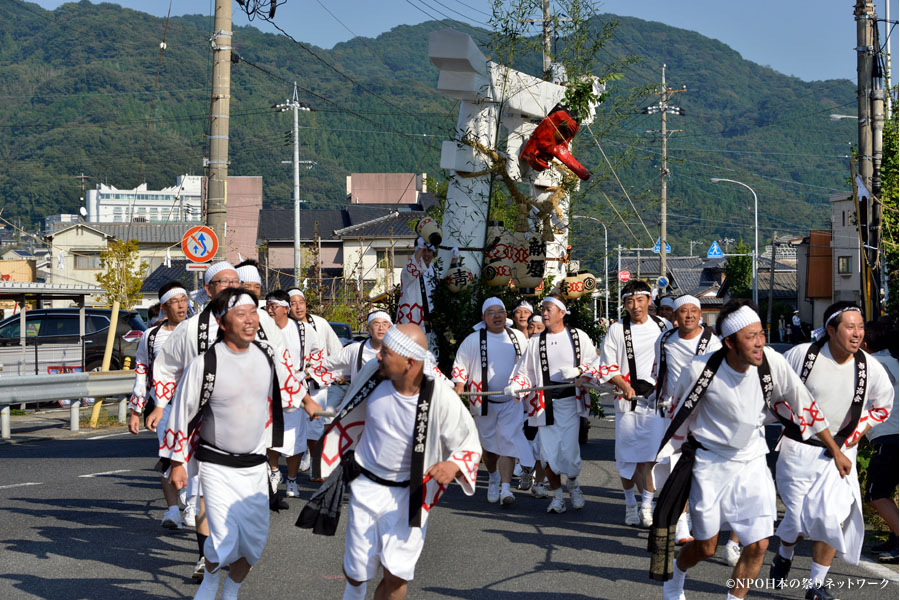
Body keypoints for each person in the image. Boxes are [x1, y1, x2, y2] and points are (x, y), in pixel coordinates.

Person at [652, 300, 850, 600]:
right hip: (710, 463)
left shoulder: (771, 362)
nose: (759, 342)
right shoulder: (700, 370)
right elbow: (680, 418)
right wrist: (675, 471)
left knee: (758, 544)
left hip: (752, 460)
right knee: (705, 546)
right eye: (750, 336)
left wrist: (835, 449)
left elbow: (804, 404)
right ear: (729, 342)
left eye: (761, 333)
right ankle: (676, 575)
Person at [153, 262, 311, 581]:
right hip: (204, 425)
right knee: (203, 493)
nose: (230, 286)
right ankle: (205, 556)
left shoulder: (260, 321)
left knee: (245, 506)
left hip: (250, 422)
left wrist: (301, 397)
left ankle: (232, 548)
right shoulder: (191, 328)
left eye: (235, 281)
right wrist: (160, 404)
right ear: (209, 290)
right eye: (222, 282)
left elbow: (282, 363)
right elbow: (165, 367)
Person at [314, 324, 481, 600]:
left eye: (386, 353)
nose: (378, 356)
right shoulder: (373, 374)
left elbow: (469, 441)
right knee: (356, 570)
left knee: (397, 573)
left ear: (410, 363)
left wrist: (453, 465)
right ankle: (353, 590)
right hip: (367, 486)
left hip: (410, 493)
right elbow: (349, 409)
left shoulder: (439, 394)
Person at [769, 302, 894, 598]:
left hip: (841, 453)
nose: (857, 333)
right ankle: (784, 553)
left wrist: (856, 433)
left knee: (831, 517)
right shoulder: (803, 356)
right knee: (798, 519)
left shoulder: (868, 367)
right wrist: (793, 418)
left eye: (860, 327)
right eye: (850, 327)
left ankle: (816, 585)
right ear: (830, 330)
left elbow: (882, 406)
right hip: (799, 450)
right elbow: (774, 391)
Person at [506, 294, 601, 513]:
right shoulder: (535, 342)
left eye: (549, 309)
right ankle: (557, 496)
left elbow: (596, 363)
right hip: (543, 403)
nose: (545, 313)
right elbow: (525, 372)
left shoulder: (578, 337)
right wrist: (516, 385)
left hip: (570, 402)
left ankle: (573, 483)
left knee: (569, 452)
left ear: (562, 312)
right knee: (547, 453)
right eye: (543, 309)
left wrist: (580, 372)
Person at [597, 279, 671, 527]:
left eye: (640, 300)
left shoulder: (664, 326)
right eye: (630, 302)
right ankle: (630, 504)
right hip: (627, 401)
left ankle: (647, 506)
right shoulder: (617, 329)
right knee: (627, 458)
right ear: (625, 305)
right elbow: (607, 365)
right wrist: (623, 385)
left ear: (649, 301)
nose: (636, 306)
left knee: (651, 457)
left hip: (654, 402)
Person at [651, 295, 721, 549]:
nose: (689, 315)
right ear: (674, 316)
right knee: (673, 466)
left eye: (694, 311)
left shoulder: (713, 343)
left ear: (700, 315)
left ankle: (695, 518)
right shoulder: (665, 340)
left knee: (702, 469)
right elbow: (659, 372)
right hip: (671, 414)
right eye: (683, 311)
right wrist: (657, 397)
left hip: (704, 413)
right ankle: (680, 521)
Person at [452, 298, 530, 507]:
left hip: (511, 400)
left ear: (506, 315)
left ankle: (505, 488)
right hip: (482, 399)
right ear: (483, 317)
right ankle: (493, 476)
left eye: (501, 311)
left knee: (508, 440)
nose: (497, 315)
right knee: (489, 446)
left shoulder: (518, 338)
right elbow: (461, 367)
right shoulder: (472, 340)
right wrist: (459, 387)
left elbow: (528, 366)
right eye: (491, 312)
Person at [127, 281, 190, 530]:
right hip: (163, 406)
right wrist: (136, 409)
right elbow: (142, 369)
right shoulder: (151, 336)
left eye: (184, 299)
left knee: (192, 456)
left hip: (194, 405)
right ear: (164, 307)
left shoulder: (196, 331)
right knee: (168, 454)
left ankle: (193, 503)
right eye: (175, 301)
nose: (181, 305)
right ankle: (173, 510)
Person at [285, 287, 343, 479]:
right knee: (293, 424)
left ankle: (315, 465)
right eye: (293, 303)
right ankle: (299, 459)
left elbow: (335, 350)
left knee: (316, 422)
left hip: (317, 383)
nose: (298, 307)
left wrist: (337, 372)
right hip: (292, 384)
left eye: (300, 302)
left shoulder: (320, 323)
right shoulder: (284, 327)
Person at [264, 290, 311, 499]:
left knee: (295, 439)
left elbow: (319, 354)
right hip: (269, 391)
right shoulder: (261, 328)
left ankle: (292, 479)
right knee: (270, 436)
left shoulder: (302, 329)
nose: (270, 310)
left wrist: (307, 373)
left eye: (274, 306)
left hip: (296, 390)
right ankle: (274, 472)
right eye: (268, 306)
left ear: (286, 308)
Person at [862, 318, 899, 564]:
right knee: (887, 491)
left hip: (889, 436)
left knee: (876, 493)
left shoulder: (871, 365)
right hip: (894, 434)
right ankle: (895, 538)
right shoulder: (894, 362)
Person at [309, 311, 392, 386]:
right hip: (362, 399)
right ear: (369, 329)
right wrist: (308, 371)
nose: (381, 328)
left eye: (385, 324)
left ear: (390, 328)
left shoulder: (397, 352)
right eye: (376, 324)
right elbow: (331, 363)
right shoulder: (356, 349)